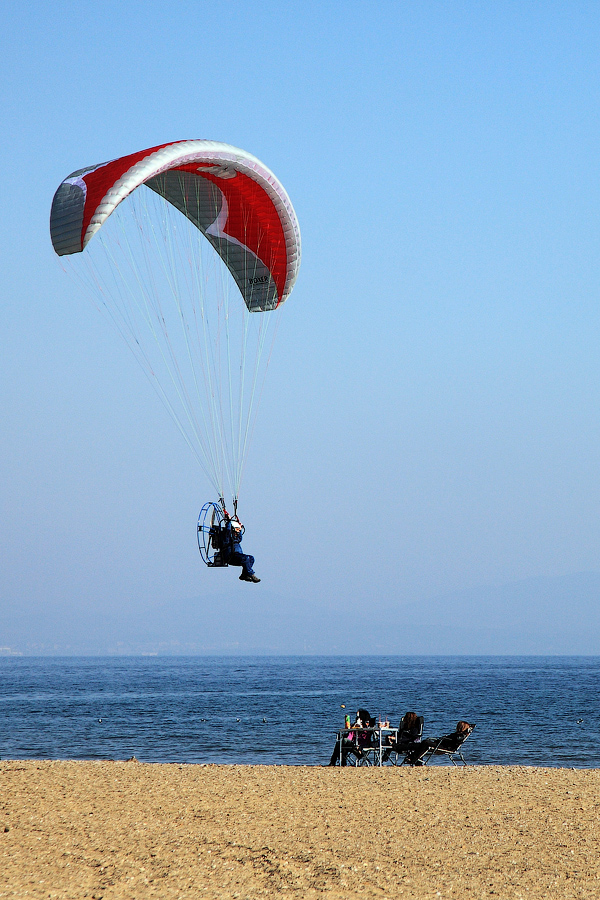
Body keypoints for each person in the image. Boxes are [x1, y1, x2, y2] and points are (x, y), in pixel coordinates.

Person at [405, 720, 475, 766]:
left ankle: (413, 759)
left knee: (425, 742)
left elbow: (454, 740)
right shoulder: (457, 734)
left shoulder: (461, 735)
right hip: (441, 744)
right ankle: (410, 756)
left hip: (445, 747)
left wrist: (444, 738)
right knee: (417, 745)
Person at [213, 516, 260, 583]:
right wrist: (229, 521)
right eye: (236, 530)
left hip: (238, 556)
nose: (237, 533)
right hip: (231, 557)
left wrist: (239, 526)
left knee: (251, 558)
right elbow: (227, 531)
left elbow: (240, 538)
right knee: (246, 558)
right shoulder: (226, 538)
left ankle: (244, 575)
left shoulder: (236, 539)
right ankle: (251, 574)